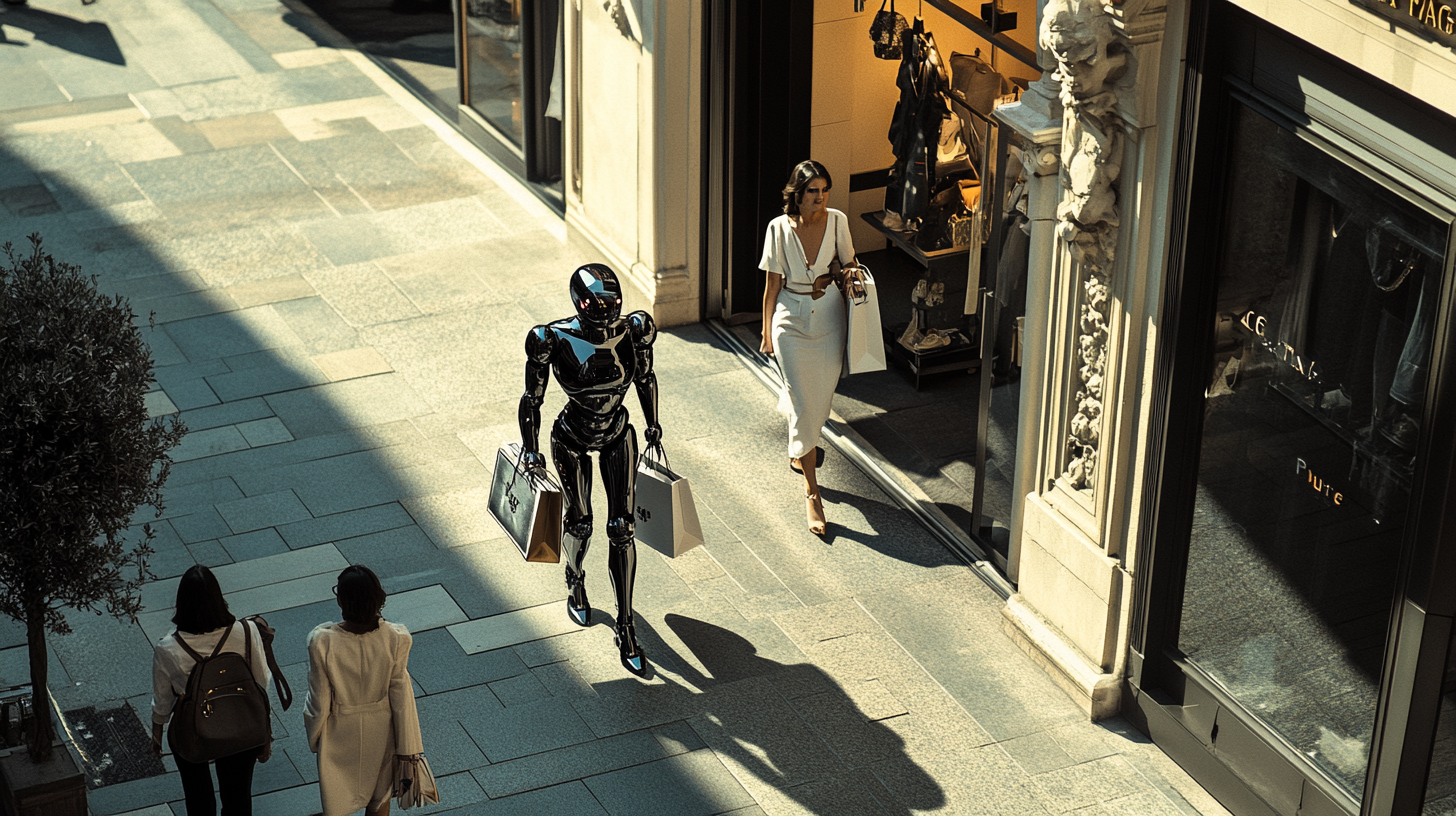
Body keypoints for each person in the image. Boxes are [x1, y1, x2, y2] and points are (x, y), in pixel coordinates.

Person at [518, 263, 661, 677]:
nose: (603, 311)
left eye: (611, 303)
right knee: (581, 522)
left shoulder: (634, 330)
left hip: (618, 431)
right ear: (578, 304)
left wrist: (652, 422)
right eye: (594, 303)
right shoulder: (551, 338)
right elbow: (532, 399)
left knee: (622, 528)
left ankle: (626, 623)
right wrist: (531, 449)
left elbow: (646, 377)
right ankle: (575, 575)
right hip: (572, 436)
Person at [759, 160, 863, 535]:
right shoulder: (778, 228)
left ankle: (798, 445)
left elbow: (850, 263)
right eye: (812, 191)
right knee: (805, 402)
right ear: (797, 195)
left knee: (819, 396)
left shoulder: (837, 220)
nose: (819, 198)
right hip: (790, 319)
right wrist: (767, 329)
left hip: (830, 317)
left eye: (824, 190)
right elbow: (772, 283)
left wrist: (839, 273)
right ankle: (811, 492)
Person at [151, 565, 271, 816]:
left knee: (198, 798)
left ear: (181, 603)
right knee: (238, 798)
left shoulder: (168, 648)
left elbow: (163, 701)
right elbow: (261, 682)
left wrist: (157, 731)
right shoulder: (247, 631)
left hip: (193, 730)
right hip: (241, 723)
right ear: (219, 598)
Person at [304, 565, 423, 816]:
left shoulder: (322, 641)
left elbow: (319, 699)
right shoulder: (396, 638)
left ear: (341, 599)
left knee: (337, 801)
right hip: (381, 730)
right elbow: (401, 697)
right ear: (378, 599)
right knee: (379, 800)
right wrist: (407, 746)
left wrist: (315, 737)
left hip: (339, 731)